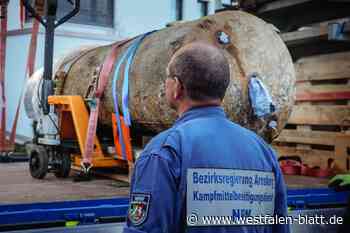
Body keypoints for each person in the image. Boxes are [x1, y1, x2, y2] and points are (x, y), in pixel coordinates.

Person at [122, 42, 289, 233]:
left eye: (168, 77)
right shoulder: (263, 152)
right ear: (222, 91)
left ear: (177, 86)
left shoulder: (164, 152)